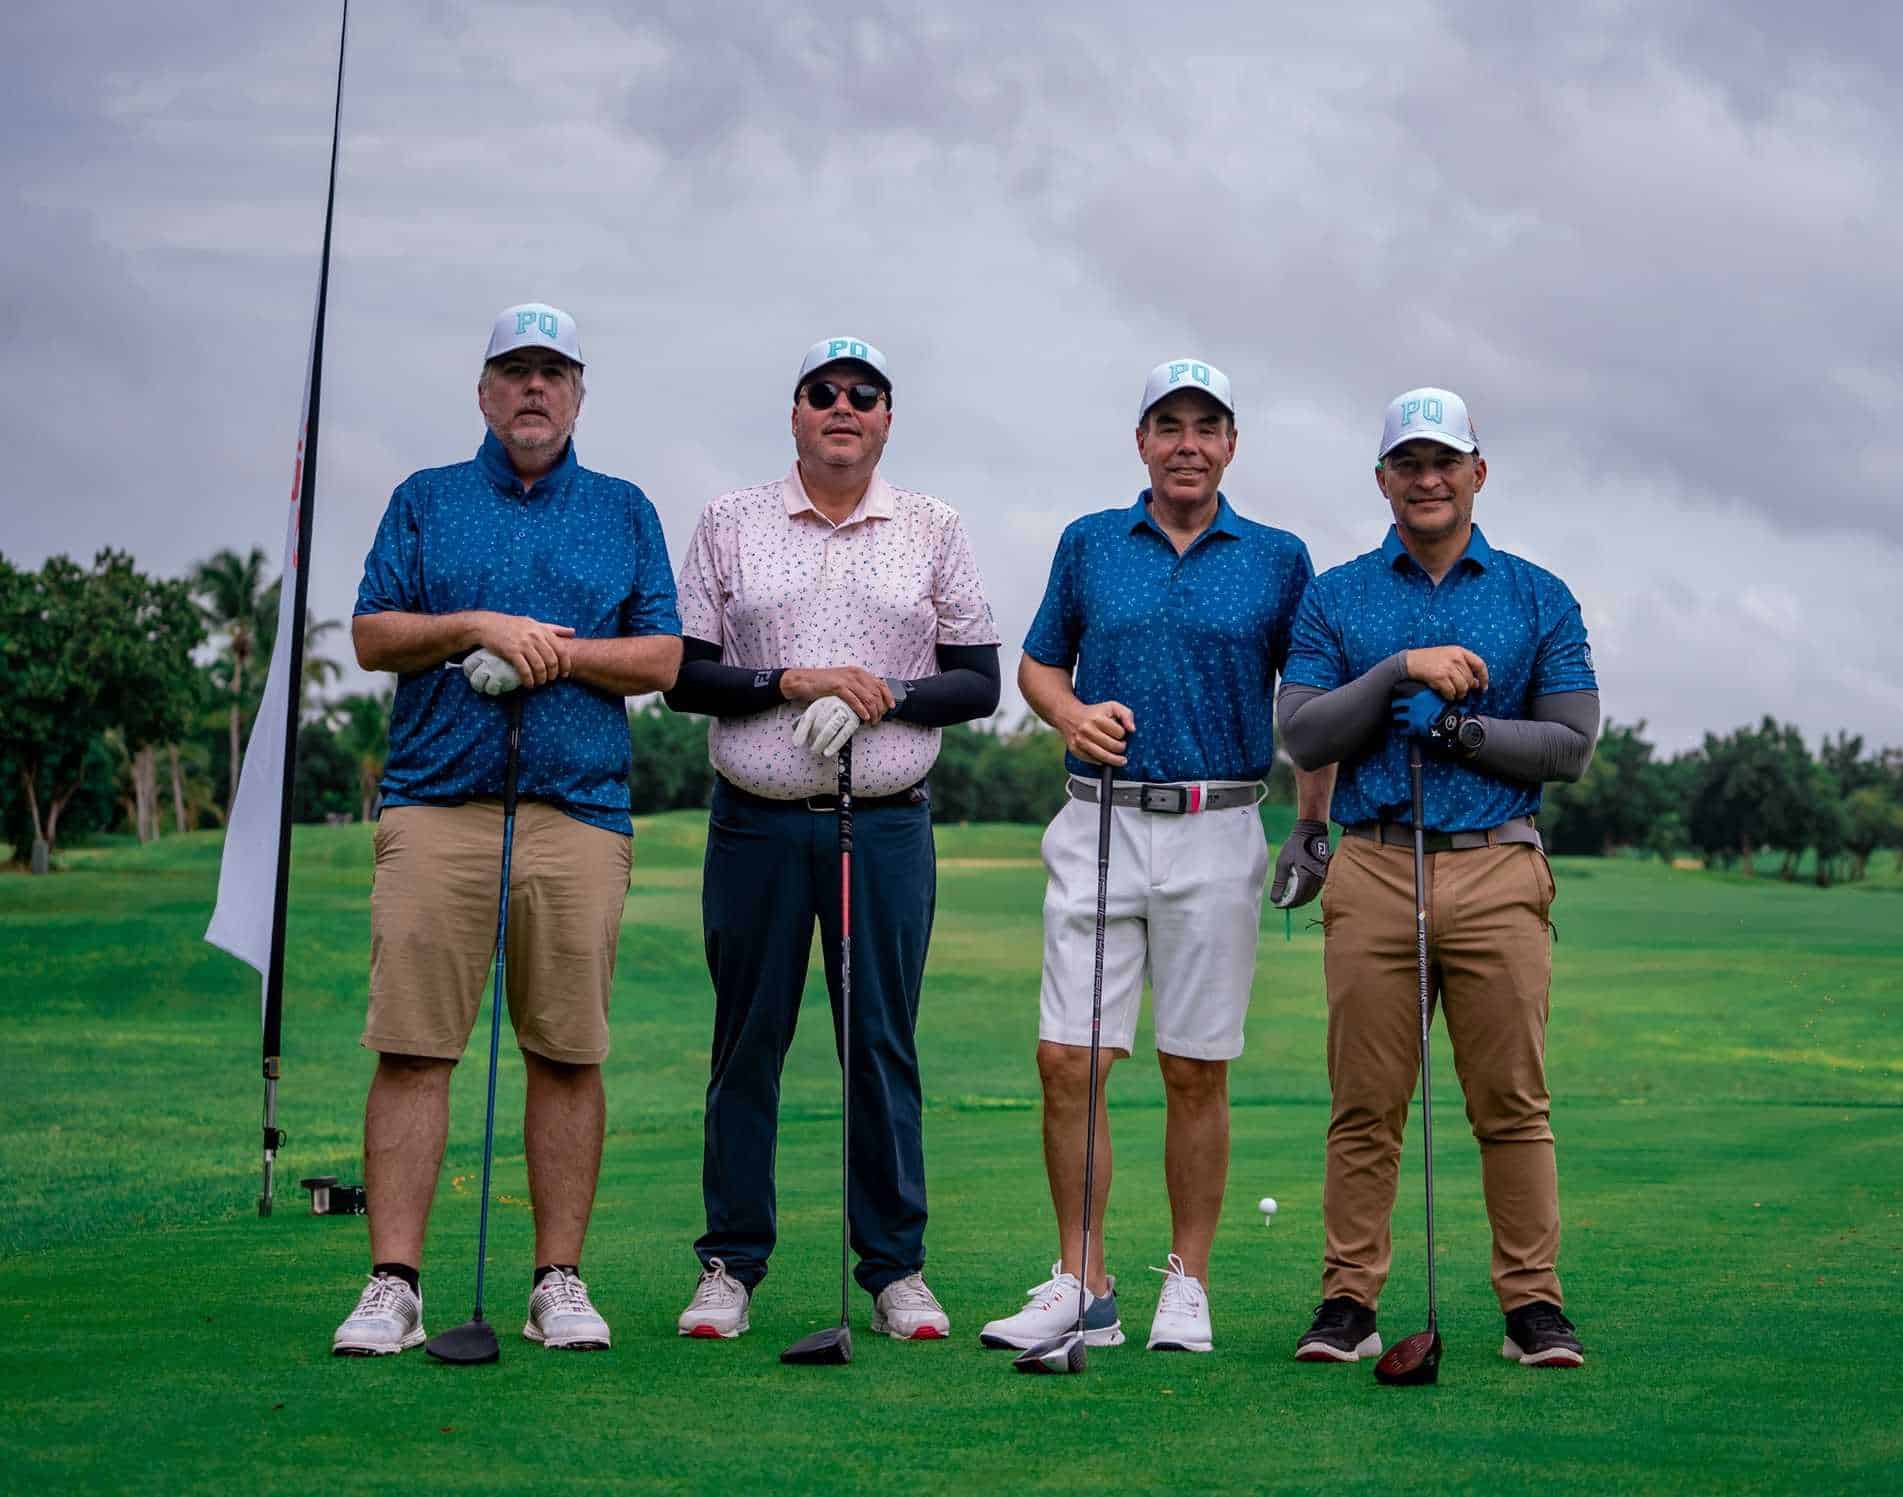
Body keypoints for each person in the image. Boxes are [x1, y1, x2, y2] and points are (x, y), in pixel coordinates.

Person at [332, 302, 683, 1356]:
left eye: (553, 373)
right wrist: (476, 626)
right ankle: (393, 1284)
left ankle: (557, 1283)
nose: (533, 390)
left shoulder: (622, 509)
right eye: (514, 372)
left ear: (578, 394)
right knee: (411, 1048)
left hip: (576, 812)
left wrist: (553, 653)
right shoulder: (426, 500)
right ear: (484, 392)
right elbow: (369, 634)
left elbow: (662, 656)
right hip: (438, 805)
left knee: (566, 1052)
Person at [980, 358, 1334, 1356]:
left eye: (1205, 427)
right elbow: (1040, 661)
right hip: (1096, 820)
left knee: (1194, 1068)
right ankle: (1081, 1279)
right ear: (1141, 440)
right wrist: (1066, 712)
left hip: (1219, 824)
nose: (1187, 443)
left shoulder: (1276, 557)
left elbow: (1303, 706)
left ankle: (1186, 1281)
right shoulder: (1091, 543)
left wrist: (1309, 826)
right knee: (1066, 1059)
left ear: (1229, 444)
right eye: (1167, 425)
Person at [664, 335, 1000, 1344]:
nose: (842, 406)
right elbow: (683, 677)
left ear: (887, 418)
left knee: (881, 1047)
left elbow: (978, 680)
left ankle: (895, 1270)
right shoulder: (729, 522)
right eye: (822, 393)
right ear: (796, 414)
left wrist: (882, 694)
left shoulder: (932, 526)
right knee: (746, 1046)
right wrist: (795, 681)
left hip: (884, 828)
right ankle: (730, 1264)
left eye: (864, 394)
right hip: (755, 826)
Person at [1278, 386, 1599, 1368]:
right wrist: (1391, 677)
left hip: (1496, 865)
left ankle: (1531, 1305)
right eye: (1406, 464)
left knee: (1510, 1102)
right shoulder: (1335, 595)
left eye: (1442, 461)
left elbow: (1570, 743)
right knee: (1365, 1103)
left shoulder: (1535, 595)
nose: (1425, 479)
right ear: (1383, 480)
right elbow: (1299, 731)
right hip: (1373, 862)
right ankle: (1347, 1302)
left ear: (1476, 473)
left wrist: (1457, 730)